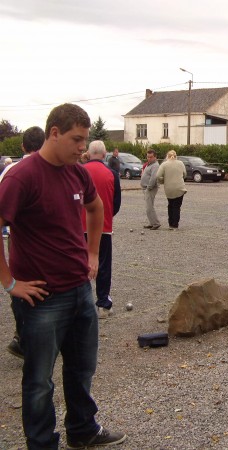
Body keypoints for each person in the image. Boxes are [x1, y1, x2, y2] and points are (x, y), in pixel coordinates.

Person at [0, 103, 126, 449]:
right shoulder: (21, 176)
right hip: (41, 299)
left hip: (79, 291)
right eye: (76, 140)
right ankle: (42, 443)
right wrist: (10, 282)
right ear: (54, 133)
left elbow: (96, 207)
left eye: (85, 141)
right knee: (40, 380)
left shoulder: (78, 172)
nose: (81, 148)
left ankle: (82, 430)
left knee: (82, 368)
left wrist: (93, 253)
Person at [1, 126, 45, 359]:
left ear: (22, 146)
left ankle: (26, 336)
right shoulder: (17, 171)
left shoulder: (10, 169)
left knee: (26, 285)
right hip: (20, 236)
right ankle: (26, 338)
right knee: (30, 286)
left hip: (12, 235)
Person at [82, 140, 121, 319]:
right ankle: (103, 304)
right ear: (104, 154)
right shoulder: (112, 174)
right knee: (104, 265)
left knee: (79, 264)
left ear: (89, 154)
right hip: (103, 227)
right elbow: (116, 203)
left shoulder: (78, 172)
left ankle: (81, 304)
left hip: (79, 226)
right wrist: (106, 217)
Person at [157, 150, 187, 230]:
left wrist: (163, 181)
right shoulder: (181, 163)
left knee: (170, 205)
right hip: (179, 188)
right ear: (176, 156)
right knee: (177, 206)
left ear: (167, 156)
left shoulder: (164, 164)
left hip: (169, 188)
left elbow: (158, 176)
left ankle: (170, 224)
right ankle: (175, 225)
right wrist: (180, 179)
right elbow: (185, 174)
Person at [141, 149, 161, 230]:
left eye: (151, 157)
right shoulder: (149, 164)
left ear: (155, 157)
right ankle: (151, 222)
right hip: (146, 188)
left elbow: (153, 178)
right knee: (149, 206)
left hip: (150, 188)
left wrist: (149, 187)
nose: (149, 158)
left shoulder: (155, 165)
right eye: (148, 157)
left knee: (149, 207)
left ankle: (156, 223)